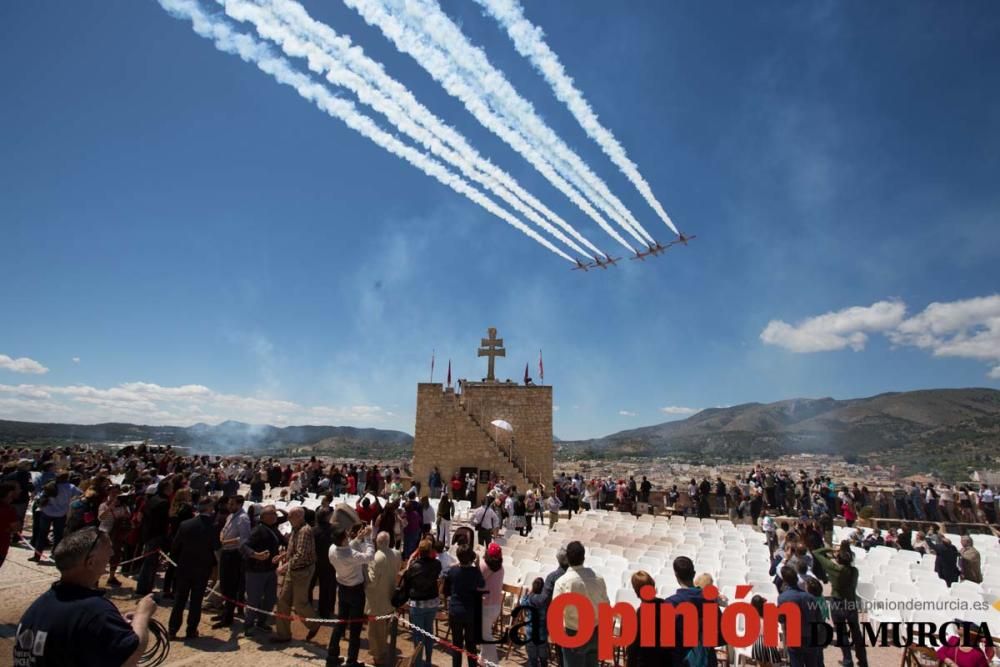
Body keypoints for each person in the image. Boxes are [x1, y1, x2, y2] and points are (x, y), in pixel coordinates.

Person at [14, 526, 155, 666]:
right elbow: (131, 656)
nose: (112, 554)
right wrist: (143, 614)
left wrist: (113, 625)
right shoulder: (94, 610)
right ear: (91, 562)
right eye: (108, 550)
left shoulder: (40, 605)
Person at [168, 496, 221, 640]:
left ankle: (172, 630)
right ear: (209, 508)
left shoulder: (185, 524)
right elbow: (216, 549)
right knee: (196, 601)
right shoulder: (213, 527)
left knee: (179, 600)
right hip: (202, 569)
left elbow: (175, 546)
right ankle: (191, 630)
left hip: (184, 567)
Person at [552, 540, 609, 667]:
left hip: (573, 633)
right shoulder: (599, 578)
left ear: (567, 558)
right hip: (594, 631)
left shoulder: (562, 582)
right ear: (584, 557)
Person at [327, 524, 375, 667]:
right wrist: (367, 538)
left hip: (342, 588)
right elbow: (369, 556)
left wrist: (357, 539)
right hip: (355, 591)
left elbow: (347, 548)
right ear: (342, 540)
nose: (349, 537)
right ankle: (352, 661)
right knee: (355, 627)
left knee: (340, 623)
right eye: (346, 537)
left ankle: (332, 656)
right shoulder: (350, 555)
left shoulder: (332, 549)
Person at [271, 506, 322, 643]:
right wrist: (282, 556)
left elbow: (301, 554)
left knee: (300, 604)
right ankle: (283, 634)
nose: (288, 519)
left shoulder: (305, 531)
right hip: (293, 569)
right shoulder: (295, 528)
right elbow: (293, 548)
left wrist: (285, 566)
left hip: (302, 571)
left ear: (299, 517)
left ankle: (314, 624)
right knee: (283, 601)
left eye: (290, 517)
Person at [812, 544, 867, 667]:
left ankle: (848, 661)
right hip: (851, 603)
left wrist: (832, 550)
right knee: (856, 633)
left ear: (838, 558)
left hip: (837, 603)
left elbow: (816, 552)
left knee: (842, 633)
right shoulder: (854, 571)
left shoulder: (833, 569)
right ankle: (863, 660)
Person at [401, 537, 443, 667]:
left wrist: (411, 561)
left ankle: (419, 663)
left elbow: (407, 580)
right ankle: (428, 661)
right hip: (431, 604)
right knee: (429, 633)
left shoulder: (414, 567)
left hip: (418, 605)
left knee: (418, 636)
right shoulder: (437, 564)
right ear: (430, 551)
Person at [442, 543, 485, 667]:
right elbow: (481, 584)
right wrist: (476, 566)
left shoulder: (453, 571)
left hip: (455, 610)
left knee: (457, 644)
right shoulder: (474, 572)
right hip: (470, 612)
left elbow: (446, 591)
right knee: (471, 644)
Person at [243, 504, 282, 637]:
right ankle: (248, 625)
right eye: (272, 514)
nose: (275, 516)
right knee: (253, 599)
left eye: (275, 514)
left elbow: (284, 542)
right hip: (256, 571)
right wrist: (256, 555)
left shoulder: (274, 529)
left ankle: (261, 621)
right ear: (264, 516)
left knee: (270, 599)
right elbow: (244, 546)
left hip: (271, 570)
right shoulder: (257, 530)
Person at [366, 531, 401, 667]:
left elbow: (371, 581)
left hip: (376, 599)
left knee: (374, 631)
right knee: (384, 629)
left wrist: (364, 571)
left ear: (377, 542)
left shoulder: (376, 557)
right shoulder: (396, 554)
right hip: (389, 595)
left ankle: (378, 656)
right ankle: (382, 652)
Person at [777, 565, 824, 667]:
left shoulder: (782, 598)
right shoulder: (810, 597)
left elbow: (781, 619)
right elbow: (819, 620)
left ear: (785, 581)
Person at [624, 570, 671, 667]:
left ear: (637, 591)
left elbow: (634, 647)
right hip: (665, 661)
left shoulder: (642, 612)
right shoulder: (666, 605)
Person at [32, 471, 82, 560]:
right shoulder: (71, 487)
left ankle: (37, 555)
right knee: (58, 535)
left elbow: (40, 497)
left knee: (42, 534)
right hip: (61, 514)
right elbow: (81, 494)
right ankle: (55, 554)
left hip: (46, 512)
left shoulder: (50, 485)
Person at [134, 479, 171, 596]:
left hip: (148, 534)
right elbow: (163, 522)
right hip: (156, 535)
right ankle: (144, 588)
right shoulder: (164, 502)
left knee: (148, 562)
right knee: (150, 563)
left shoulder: (152, 499)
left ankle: (144, 587)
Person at [479, 542, 506, 665]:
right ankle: (483, 658)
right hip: (495, 606)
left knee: (486, 636)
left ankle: (493, 662)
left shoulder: (483, 565)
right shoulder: (501, 568)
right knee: (484, 633)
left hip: (485, 606)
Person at [312, 507, 337, 618]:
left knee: (310, 585)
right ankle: (325, 611)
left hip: (315, 561)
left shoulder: (313, 530)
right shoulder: (334, 529)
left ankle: (308, 608)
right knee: (326, 588)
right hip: (329, 562)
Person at [520, 576, 550, 667]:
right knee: (543, 655)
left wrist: (527, 594)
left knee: (532, 656)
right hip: (542, 632)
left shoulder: (529, 598)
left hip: (530, 631)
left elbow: (522, 604)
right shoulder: (545, 601)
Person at [0, 482, 20, 569]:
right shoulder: (9, 510)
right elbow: (15, 528)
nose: (20, 491)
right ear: (10, 493)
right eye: (18, 489)